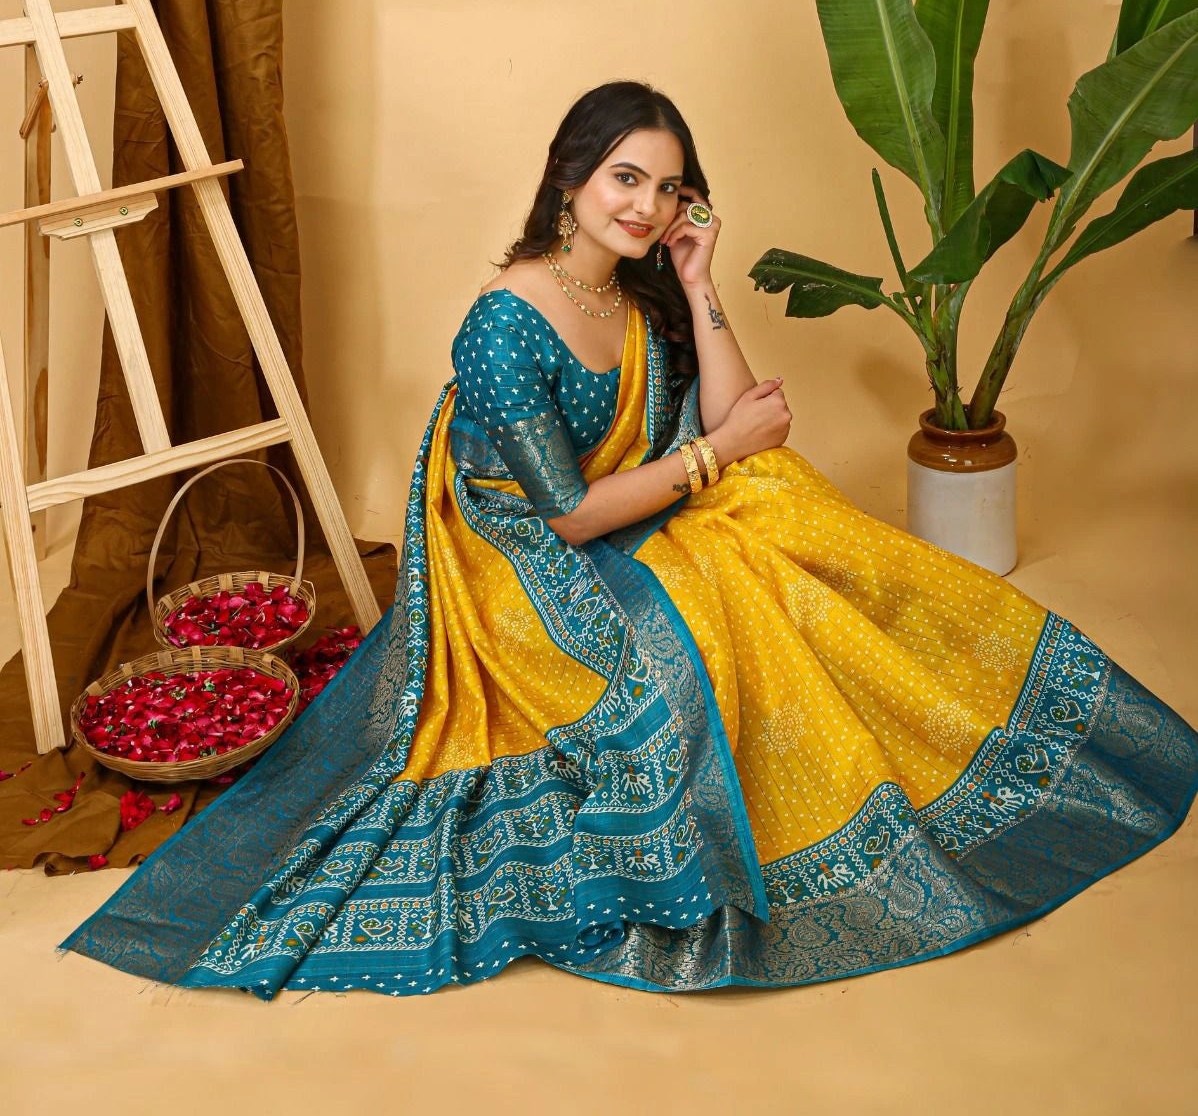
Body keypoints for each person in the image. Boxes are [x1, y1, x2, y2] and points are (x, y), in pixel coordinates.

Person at [60, 79, 1198, 998]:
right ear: (569, 175)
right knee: (707, 610)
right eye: (625, 177)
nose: (647, 206)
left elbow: (739, 417)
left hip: (633, 506)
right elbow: (572, 511)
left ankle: (958, 729)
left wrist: (701, 285)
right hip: (518, 558)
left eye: (669, 188)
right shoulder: (505, 324)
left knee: (787, 509)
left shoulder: (643, 291)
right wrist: (718, 454)